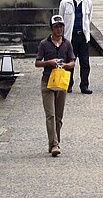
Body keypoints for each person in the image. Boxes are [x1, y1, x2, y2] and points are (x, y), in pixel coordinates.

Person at [35, 15, 76, 157]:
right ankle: (54, 144)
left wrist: (64, 65)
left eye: (61, 26)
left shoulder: (67, 44)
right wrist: (49, 62)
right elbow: (37, 62)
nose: (60, 29)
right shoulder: (44, 44)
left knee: (59, 116)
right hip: (47, 82)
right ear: (52, 28)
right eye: (57, 27)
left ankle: (54, 141)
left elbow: (73, 62)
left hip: (61, 82)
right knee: (50, 115)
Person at [59, 0, 93, 94]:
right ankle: (68, 84)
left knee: (85, 62)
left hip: (82, 36)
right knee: (70, 61)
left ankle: (84, 85)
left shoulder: (87, 2)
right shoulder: (65, 2)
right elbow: (61, 18)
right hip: (70, 36)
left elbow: (88, 19)